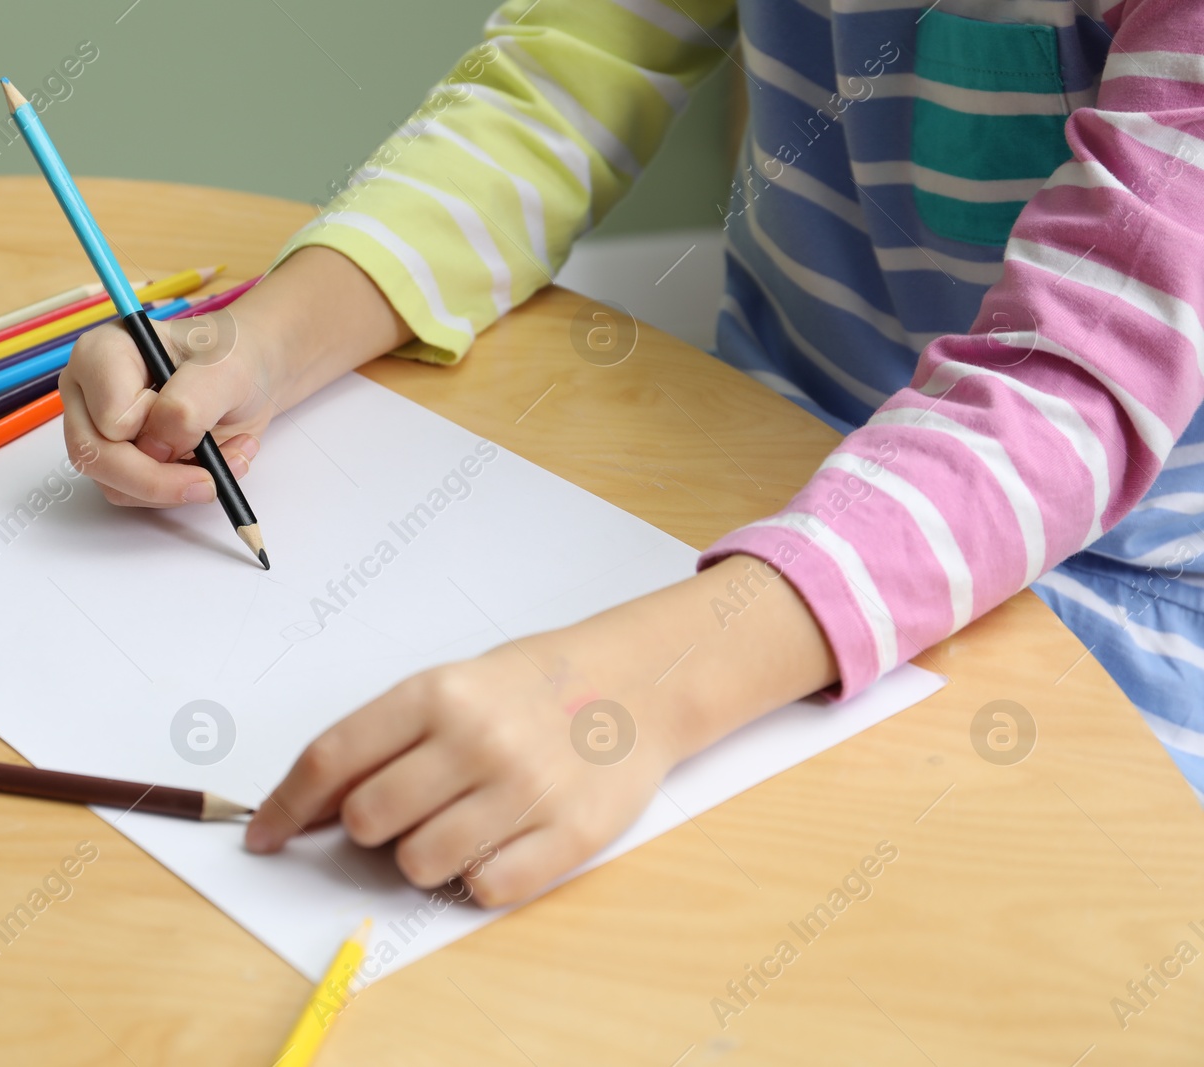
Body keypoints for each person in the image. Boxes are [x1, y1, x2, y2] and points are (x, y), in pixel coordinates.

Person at [60, 0, 1204, 906]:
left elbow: (1068, 386)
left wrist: (641, 692)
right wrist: (262, 340)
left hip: (1125, 582)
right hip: (759, 472)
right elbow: (559, 85)